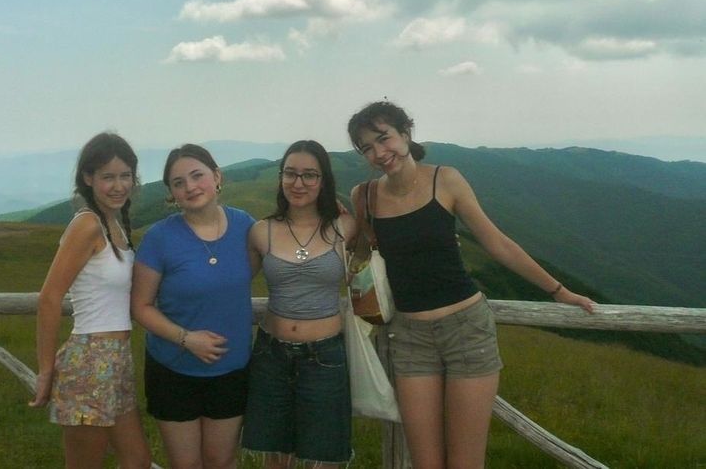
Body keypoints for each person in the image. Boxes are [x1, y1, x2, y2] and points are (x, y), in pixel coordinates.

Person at [346, 101, 596, 469]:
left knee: (465, 462)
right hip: (409, 337)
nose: (379, 153)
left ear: (406, 134)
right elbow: (361, 251)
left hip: (466, 329)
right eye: (367, 147)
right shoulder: (363, 196)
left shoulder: (445, 180)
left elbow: (498, 244)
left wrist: (560, 291)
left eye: (384, 139)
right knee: (425, 463)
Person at [29, 132, 152, 469]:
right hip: (89, 362)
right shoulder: (87, 225)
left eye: (125, 176)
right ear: (88, 178)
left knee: (138, 460)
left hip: (117, 361)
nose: (118, 186)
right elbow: (49, 298)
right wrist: (45, 371)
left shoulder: (113, 223)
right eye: (108, 177)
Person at [131, 144, 255, 469]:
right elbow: (141, 306)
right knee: (186, 465)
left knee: (222, 461)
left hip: (232, 369)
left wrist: (332, 224)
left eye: (197, 175)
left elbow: (292, 252)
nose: (190, 187)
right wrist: (188, 339)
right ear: (172, 194)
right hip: (173, 368)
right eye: (178, 183)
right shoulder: (159, 238)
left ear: (217, 176)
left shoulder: (246, 227)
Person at [241, 140, 357, 468]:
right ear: (280, 178)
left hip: (326, 355)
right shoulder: (261, 231)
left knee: (324, 452)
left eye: (309, 175)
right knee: (275, 454)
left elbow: (370, 268)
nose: (299, 183)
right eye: (290, 173)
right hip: (270, 354)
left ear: (323, 180)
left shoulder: (345, 227)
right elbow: (233, 284)